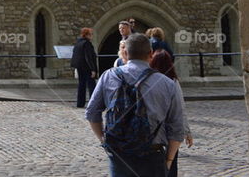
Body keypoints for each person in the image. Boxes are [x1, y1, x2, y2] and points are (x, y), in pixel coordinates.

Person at [86, 33, 185, 177]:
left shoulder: (108, 76)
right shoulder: (168, 83)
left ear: (125, 53)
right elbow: (176, 127)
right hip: (153, 152)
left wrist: (103, 139)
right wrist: (169, 160)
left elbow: (91, 112)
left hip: (120, 153)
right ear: (151, 53)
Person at [150, 50, 194, 177]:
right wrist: (187, 131)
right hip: (170, 130)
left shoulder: (147, 81)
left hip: (152, 130)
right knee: (171, 164)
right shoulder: (172, 82)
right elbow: (180, 109)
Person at [70, 27, 98, 107]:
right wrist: (93, 69)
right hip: (87, 68)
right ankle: (94, 103)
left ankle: (80, 103)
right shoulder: (87, 43)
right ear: (87, 35)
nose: (91, 36)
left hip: (80, 67)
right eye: (90, 34)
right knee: (91, 85)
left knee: (81, 84)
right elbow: (88, 57)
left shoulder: (78, 43)